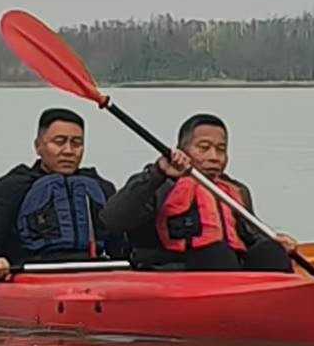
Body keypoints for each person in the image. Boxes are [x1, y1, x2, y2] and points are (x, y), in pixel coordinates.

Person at [101, 113, 298, 272]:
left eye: (221, 149)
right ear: (182, 150)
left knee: (271, 251)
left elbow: (252, 235)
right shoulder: (159, 184)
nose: (214, 157)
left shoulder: (235, 190)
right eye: (204, 148)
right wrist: (157, 173)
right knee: (217, 253)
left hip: (229, 270)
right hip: (174, 271)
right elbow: (112, 220)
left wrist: (278, 242)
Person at [0, 108, 120, 280]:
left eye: (76, 143)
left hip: (94, 275)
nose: (68, 151)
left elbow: (121, 246)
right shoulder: (11, 187)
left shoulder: (102, 188)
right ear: (38, 146)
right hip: (31, 275)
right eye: (59, 142)